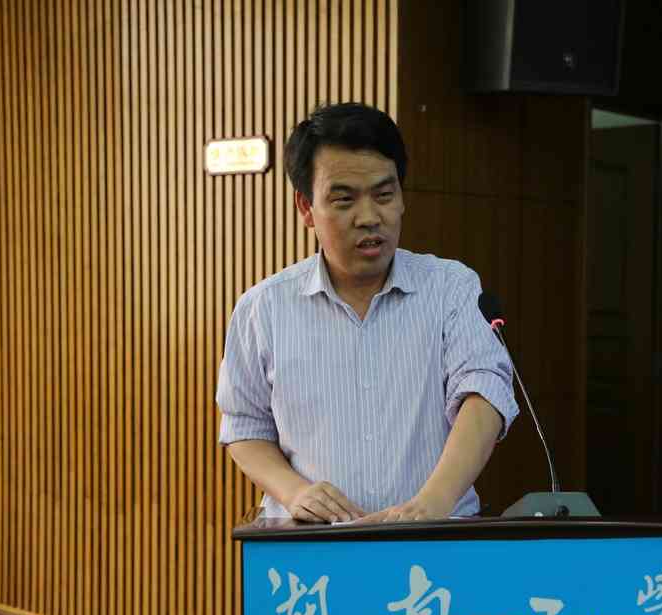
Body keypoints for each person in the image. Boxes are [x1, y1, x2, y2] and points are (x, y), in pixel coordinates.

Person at [215, 102, 518, 523]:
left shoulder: (452, 289)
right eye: (344, 200)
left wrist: (432, 503)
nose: (369, 217)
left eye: (384, 195)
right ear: (306, 207)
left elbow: (485, 395)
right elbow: (245, 428)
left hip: (436, 539)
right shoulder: (263, 309)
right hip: (315, 544)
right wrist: (296, 492)